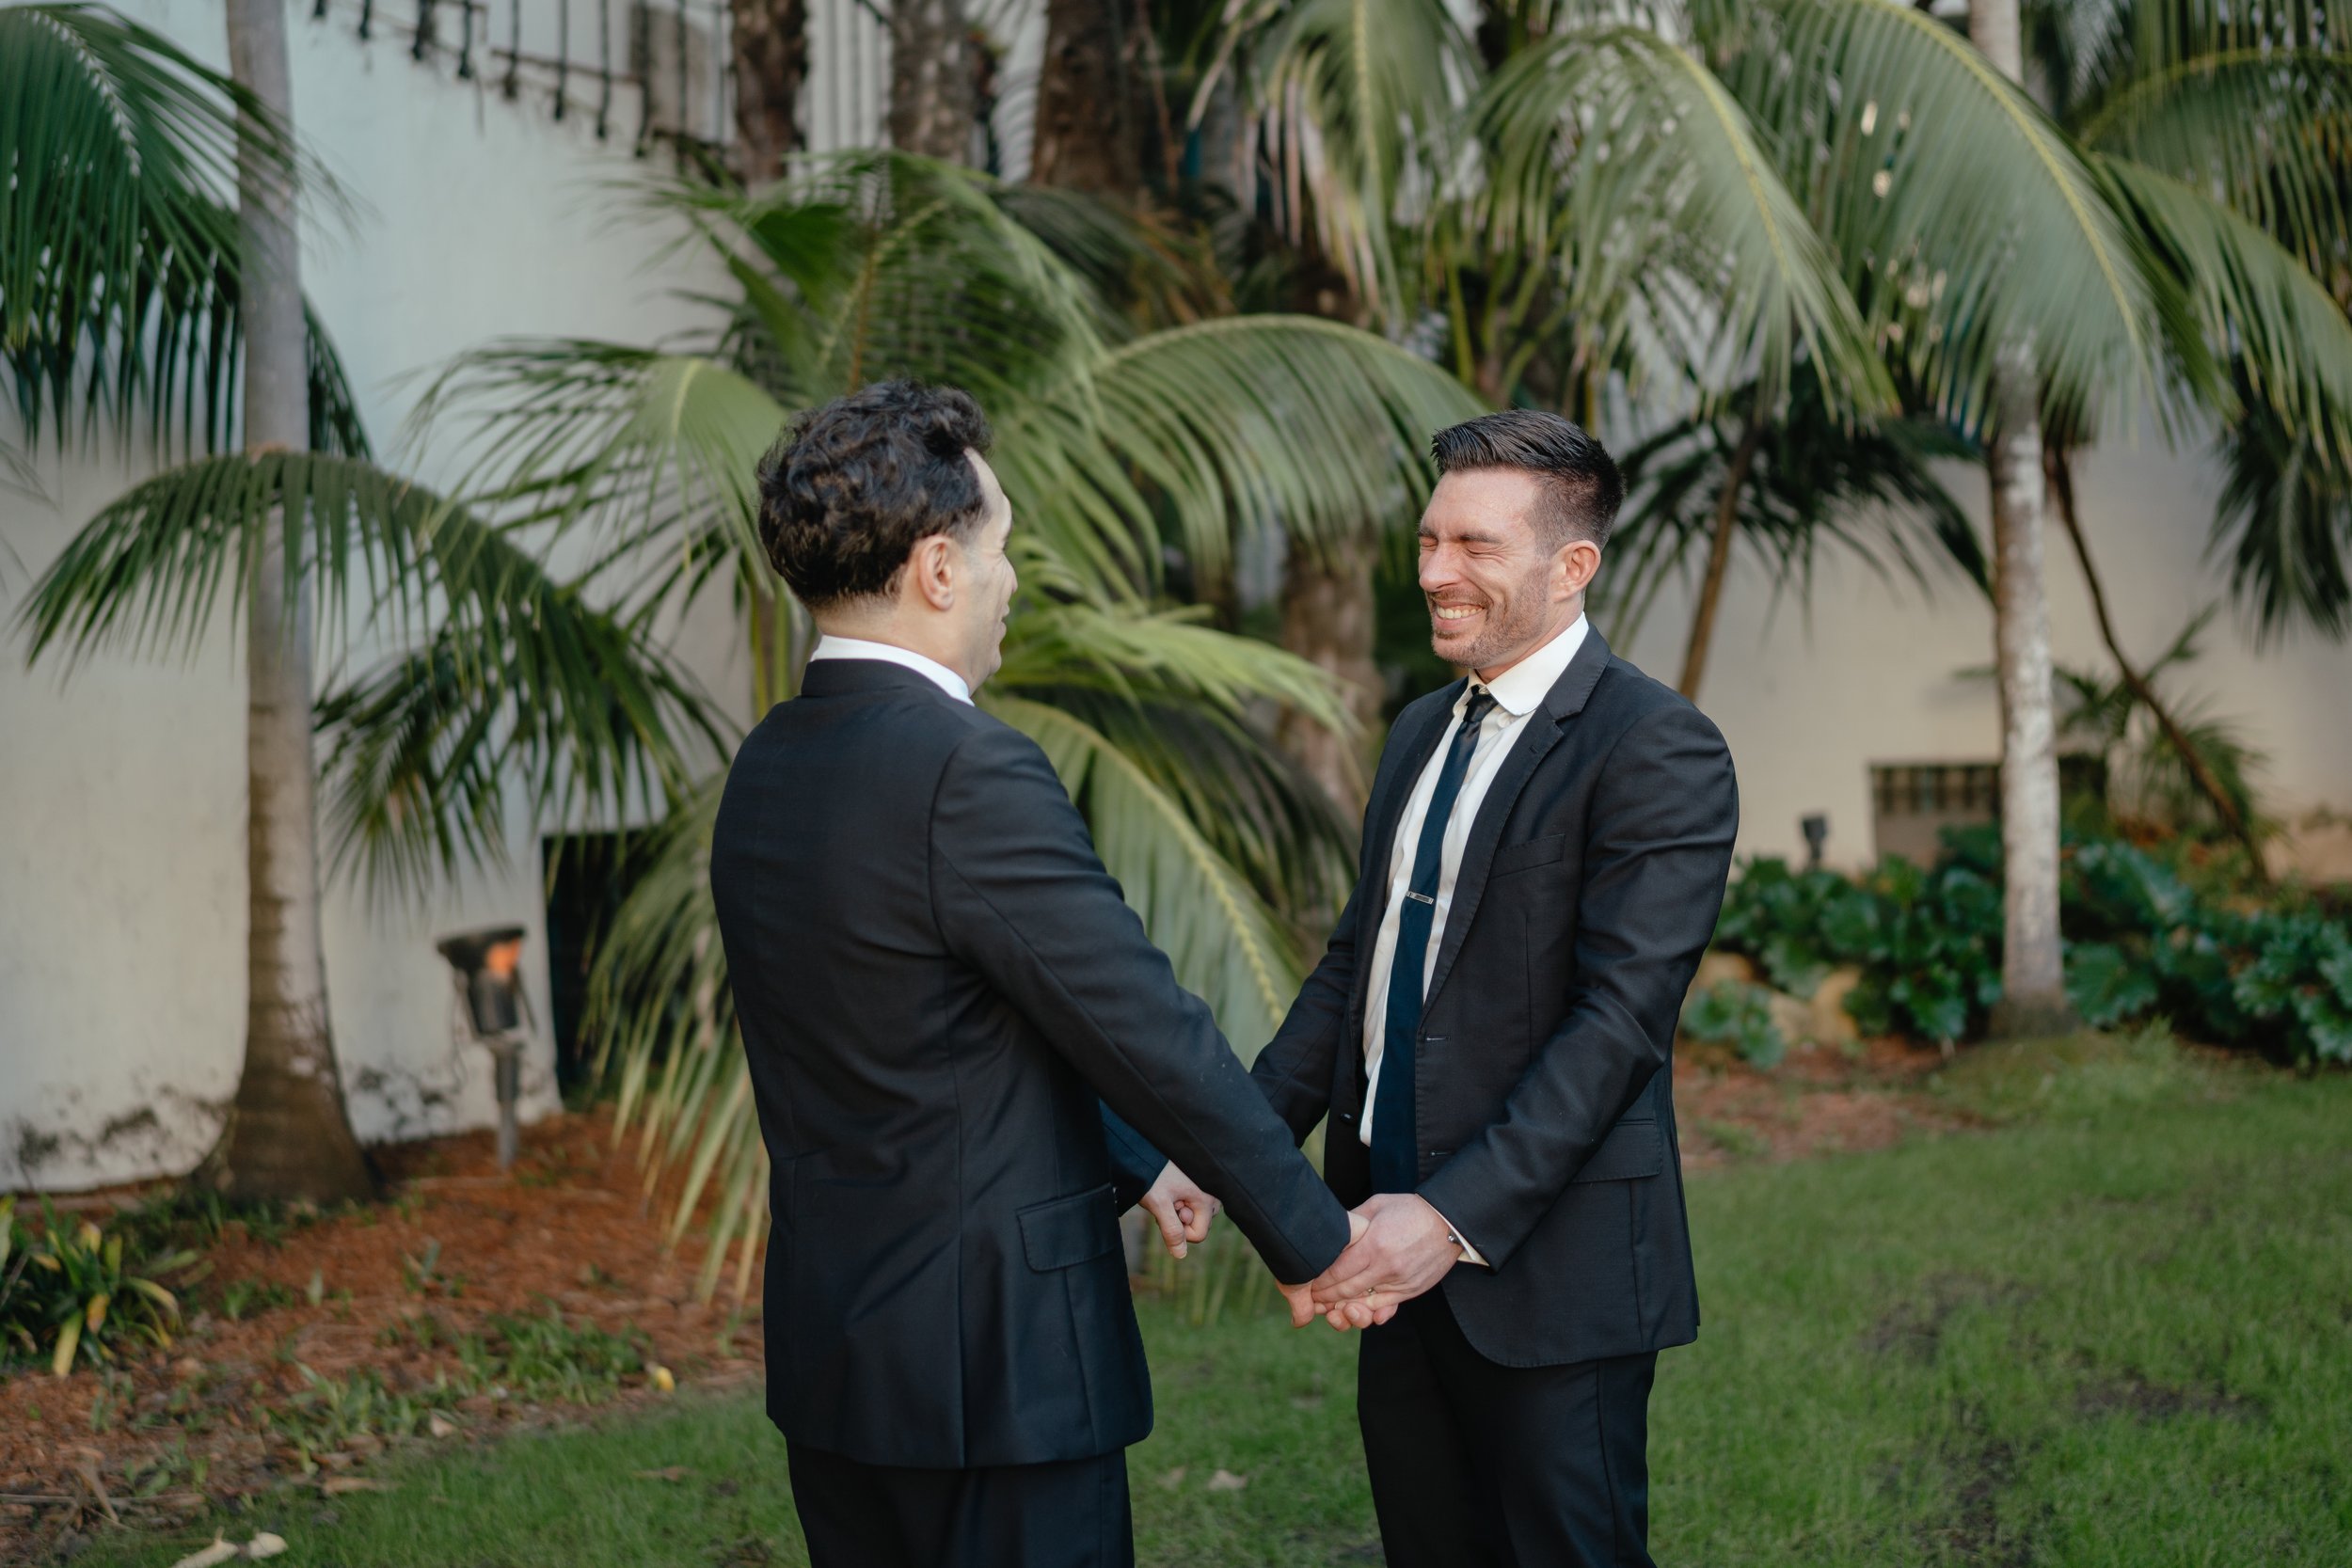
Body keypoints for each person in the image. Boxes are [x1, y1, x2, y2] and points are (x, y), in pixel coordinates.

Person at [708, 381, 1359, 1568]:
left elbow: (934, 1030)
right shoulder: (967, 768)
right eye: (1001, 546)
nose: (1013, 575)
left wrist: (1140, 1152)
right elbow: (1143, 1028)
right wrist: (1314, 1238)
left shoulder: (768, 762)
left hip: (841, 1358)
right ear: (938, 570)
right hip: (993, 1373)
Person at [1251, 409, 1740, 1567]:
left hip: (1551, 1273)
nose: (1432, 572)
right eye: (1428, 540)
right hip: (1385, 1248)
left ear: (1572, 566)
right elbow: (1354, 969)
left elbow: (1617, 1025)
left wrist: (1452, 1219)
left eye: (1473, 544)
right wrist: (1231, 1148)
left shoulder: (1656, 747)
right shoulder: (1420, 730)